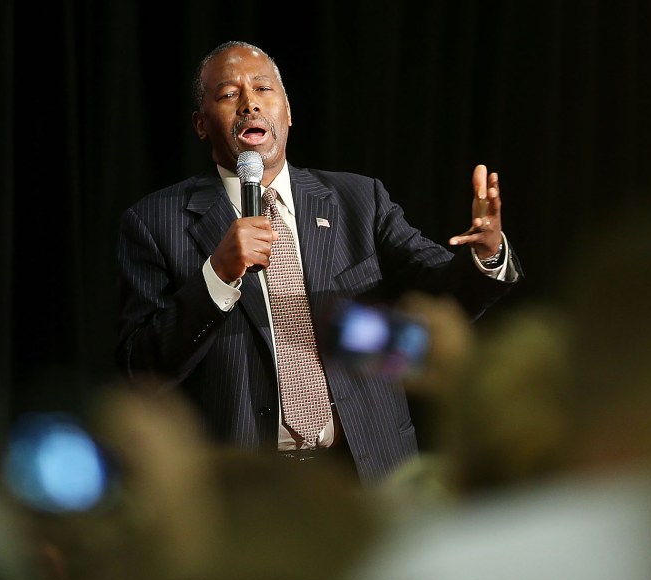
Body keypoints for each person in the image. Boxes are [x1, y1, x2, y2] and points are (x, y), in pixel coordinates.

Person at [115, 40, 522, 484]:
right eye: (229, 94)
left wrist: (486, 253)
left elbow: (444, 296)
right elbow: (143, 369)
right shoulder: (155, 221)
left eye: (263, 89)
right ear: (200, 124)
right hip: (245, 486)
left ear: (288, 112)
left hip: (367, 469)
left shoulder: (358, 200)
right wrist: (216, 276)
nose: (250, 103)